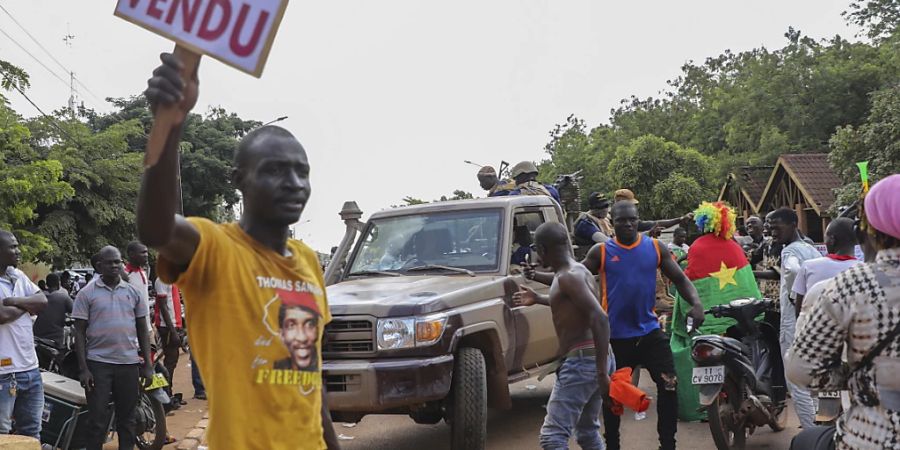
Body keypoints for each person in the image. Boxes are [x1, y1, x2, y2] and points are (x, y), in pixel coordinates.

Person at [140, 52, 339, 449]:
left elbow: (309, 378)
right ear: (238, 180)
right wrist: (169, 122)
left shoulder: (308, 264)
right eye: (275, 170)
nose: (295, 183)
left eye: (302, 172)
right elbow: (155, 226)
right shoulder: (216, 249)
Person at [527, 201, 705, 450]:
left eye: (632, 219)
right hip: (615, 337)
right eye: (621, 220)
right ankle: (613, 446)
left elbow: (680, 278)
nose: (628, 224)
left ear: (638, 219)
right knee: (612, 397)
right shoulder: (601, 251)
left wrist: (696, 303)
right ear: (613, 223)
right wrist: (534, 278)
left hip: (649, 331)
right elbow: (568, 278)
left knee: (669, 384)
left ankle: (668, 444)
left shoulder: (654, 247)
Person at [786, 174, 900, 449]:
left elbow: (802, 369)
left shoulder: (851, 284)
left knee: (804, 442)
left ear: (869, 231)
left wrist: (857, 374)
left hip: (874, 436)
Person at [512, 222, 612, 450]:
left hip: (583, 363)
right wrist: (537, 298)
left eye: (538, 250)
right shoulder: (577, 271)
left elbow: (600, 318)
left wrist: (601, 372)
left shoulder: (568, 277)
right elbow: (570, 303)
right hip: (592, 359)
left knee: (552, 437)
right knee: (587, 433)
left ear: (543, 249)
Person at [669, 202, 762, 422]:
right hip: (737, 319)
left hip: (708, 321)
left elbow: (687, 281)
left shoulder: (697, 246)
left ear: (703, 223)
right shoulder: (733, 246)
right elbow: (748, 281)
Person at [73, 246, 153, 450]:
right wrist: (84, 369)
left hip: (128, 364)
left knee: (127, 420)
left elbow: (142, 329)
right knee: (97, 421)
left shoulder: (133, 292)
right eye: (110, 262)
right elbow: (79, 332)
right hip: (99, 365)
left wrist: (148, 365)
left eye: (118, 261)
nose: (115, 266)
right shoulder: (86, 294)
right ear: (99, 266)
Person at [766, 207, 821, 429]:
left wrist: (796, 297)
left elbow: (793, 271)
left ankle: (811, 433)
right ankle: (823, 430)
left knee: (796, 383)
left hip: (793, 323)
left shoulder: (789, 252)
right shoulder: (812, 249)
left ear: (792, 224)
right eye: (770, 227)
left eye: (776, 227)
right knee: (816, 382)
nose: (772, 232)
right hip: (815, 321)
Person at [0, 230, 47, 440]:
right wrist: (27, 305)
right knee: (2, 436)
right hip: (3, 374)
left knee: (31, 435)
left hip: (30, 369)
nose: (18, 251)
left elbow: (43, 300)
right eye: (12, 247)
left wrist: (15, 301)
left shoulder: (17, 275)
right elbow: (2, 315)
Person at [791, 217, 860, 317]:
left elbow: (799, 309)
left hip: (814, 329)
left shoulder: (809, 266)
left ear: (832, 239)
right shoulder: (864, 269)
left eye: (825, 237)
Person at [613, 189, 693, 233]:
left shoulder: (634, 222)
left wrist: (681, 219)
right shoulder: (605, 221)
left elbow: (656, 224)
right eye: (630, 204)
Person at [154, 278, 183, 388]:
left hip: (174, 325)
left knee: (172, 360)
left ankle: (167, 392)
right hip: (167, 326)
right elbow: (163, 306)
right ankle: (165, 393)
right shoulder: (162, 280)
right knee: (170, 361)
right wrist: (173, 331)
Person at [33, 272, 73, 349]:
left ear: (47, 284)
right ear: (59, 284)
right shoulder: (64, 297)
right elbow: (76, 312)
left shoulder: (39, 296)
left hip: (36, 335)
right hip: (55, 338)